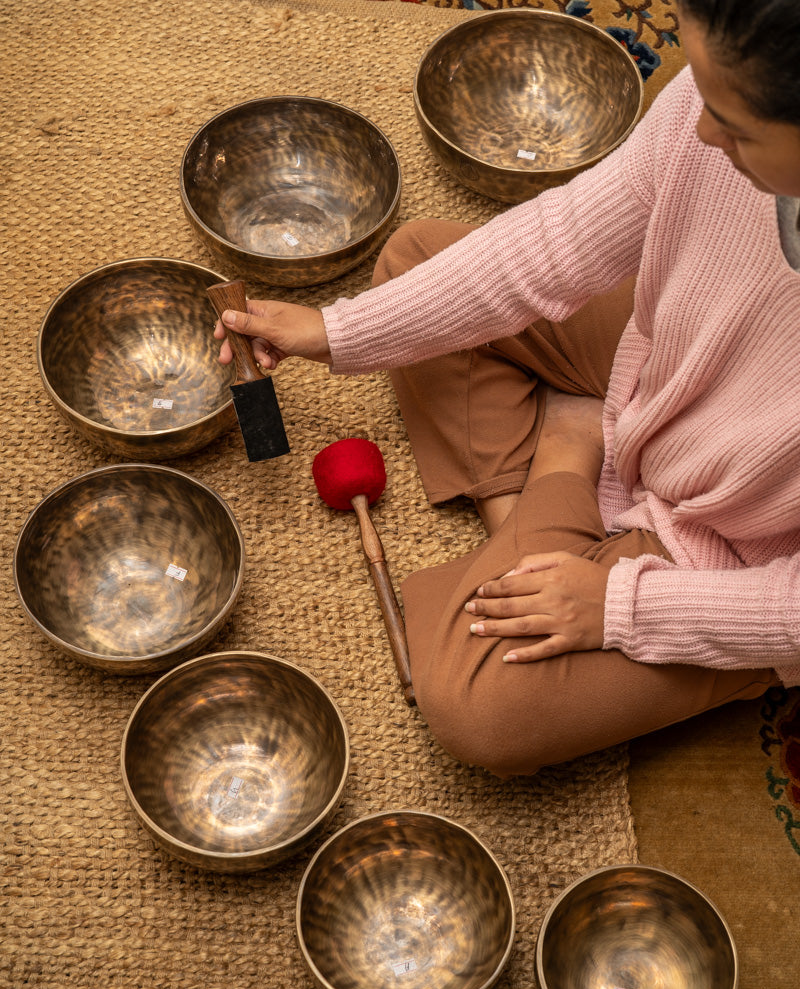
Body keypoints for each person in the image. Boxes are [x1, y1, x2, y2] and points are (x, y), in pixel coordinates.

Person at [215, 0, 800, 777]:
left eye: (735, 125)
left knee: (478, 707)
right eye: (698, 90)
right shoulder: (706, 108)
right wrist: (335, 333)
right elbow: (556, 245)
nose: (696, 129)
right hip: (679, 371)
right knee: (416, 262)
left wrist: (621, 609)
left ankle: (559, 472)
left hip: (741, 549)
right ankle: (551, 524)